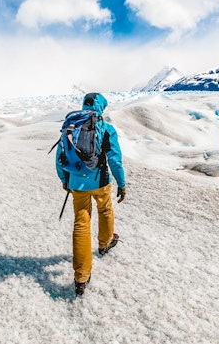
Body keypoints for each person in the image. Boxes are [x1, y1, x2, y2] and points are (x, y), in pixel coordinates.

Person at [55, 92, 126, 296]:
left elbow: (60, 156)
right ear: (101, 106)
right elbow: (115, 159)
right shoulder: (106, 128)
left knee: (81, 222)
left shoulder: (71, 125)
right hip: (101, 181)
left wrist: (65, 180)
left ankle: (81, 277)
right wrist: (122, 184)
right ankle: (104, 244)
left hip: (77, 182)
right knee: (104, 209)